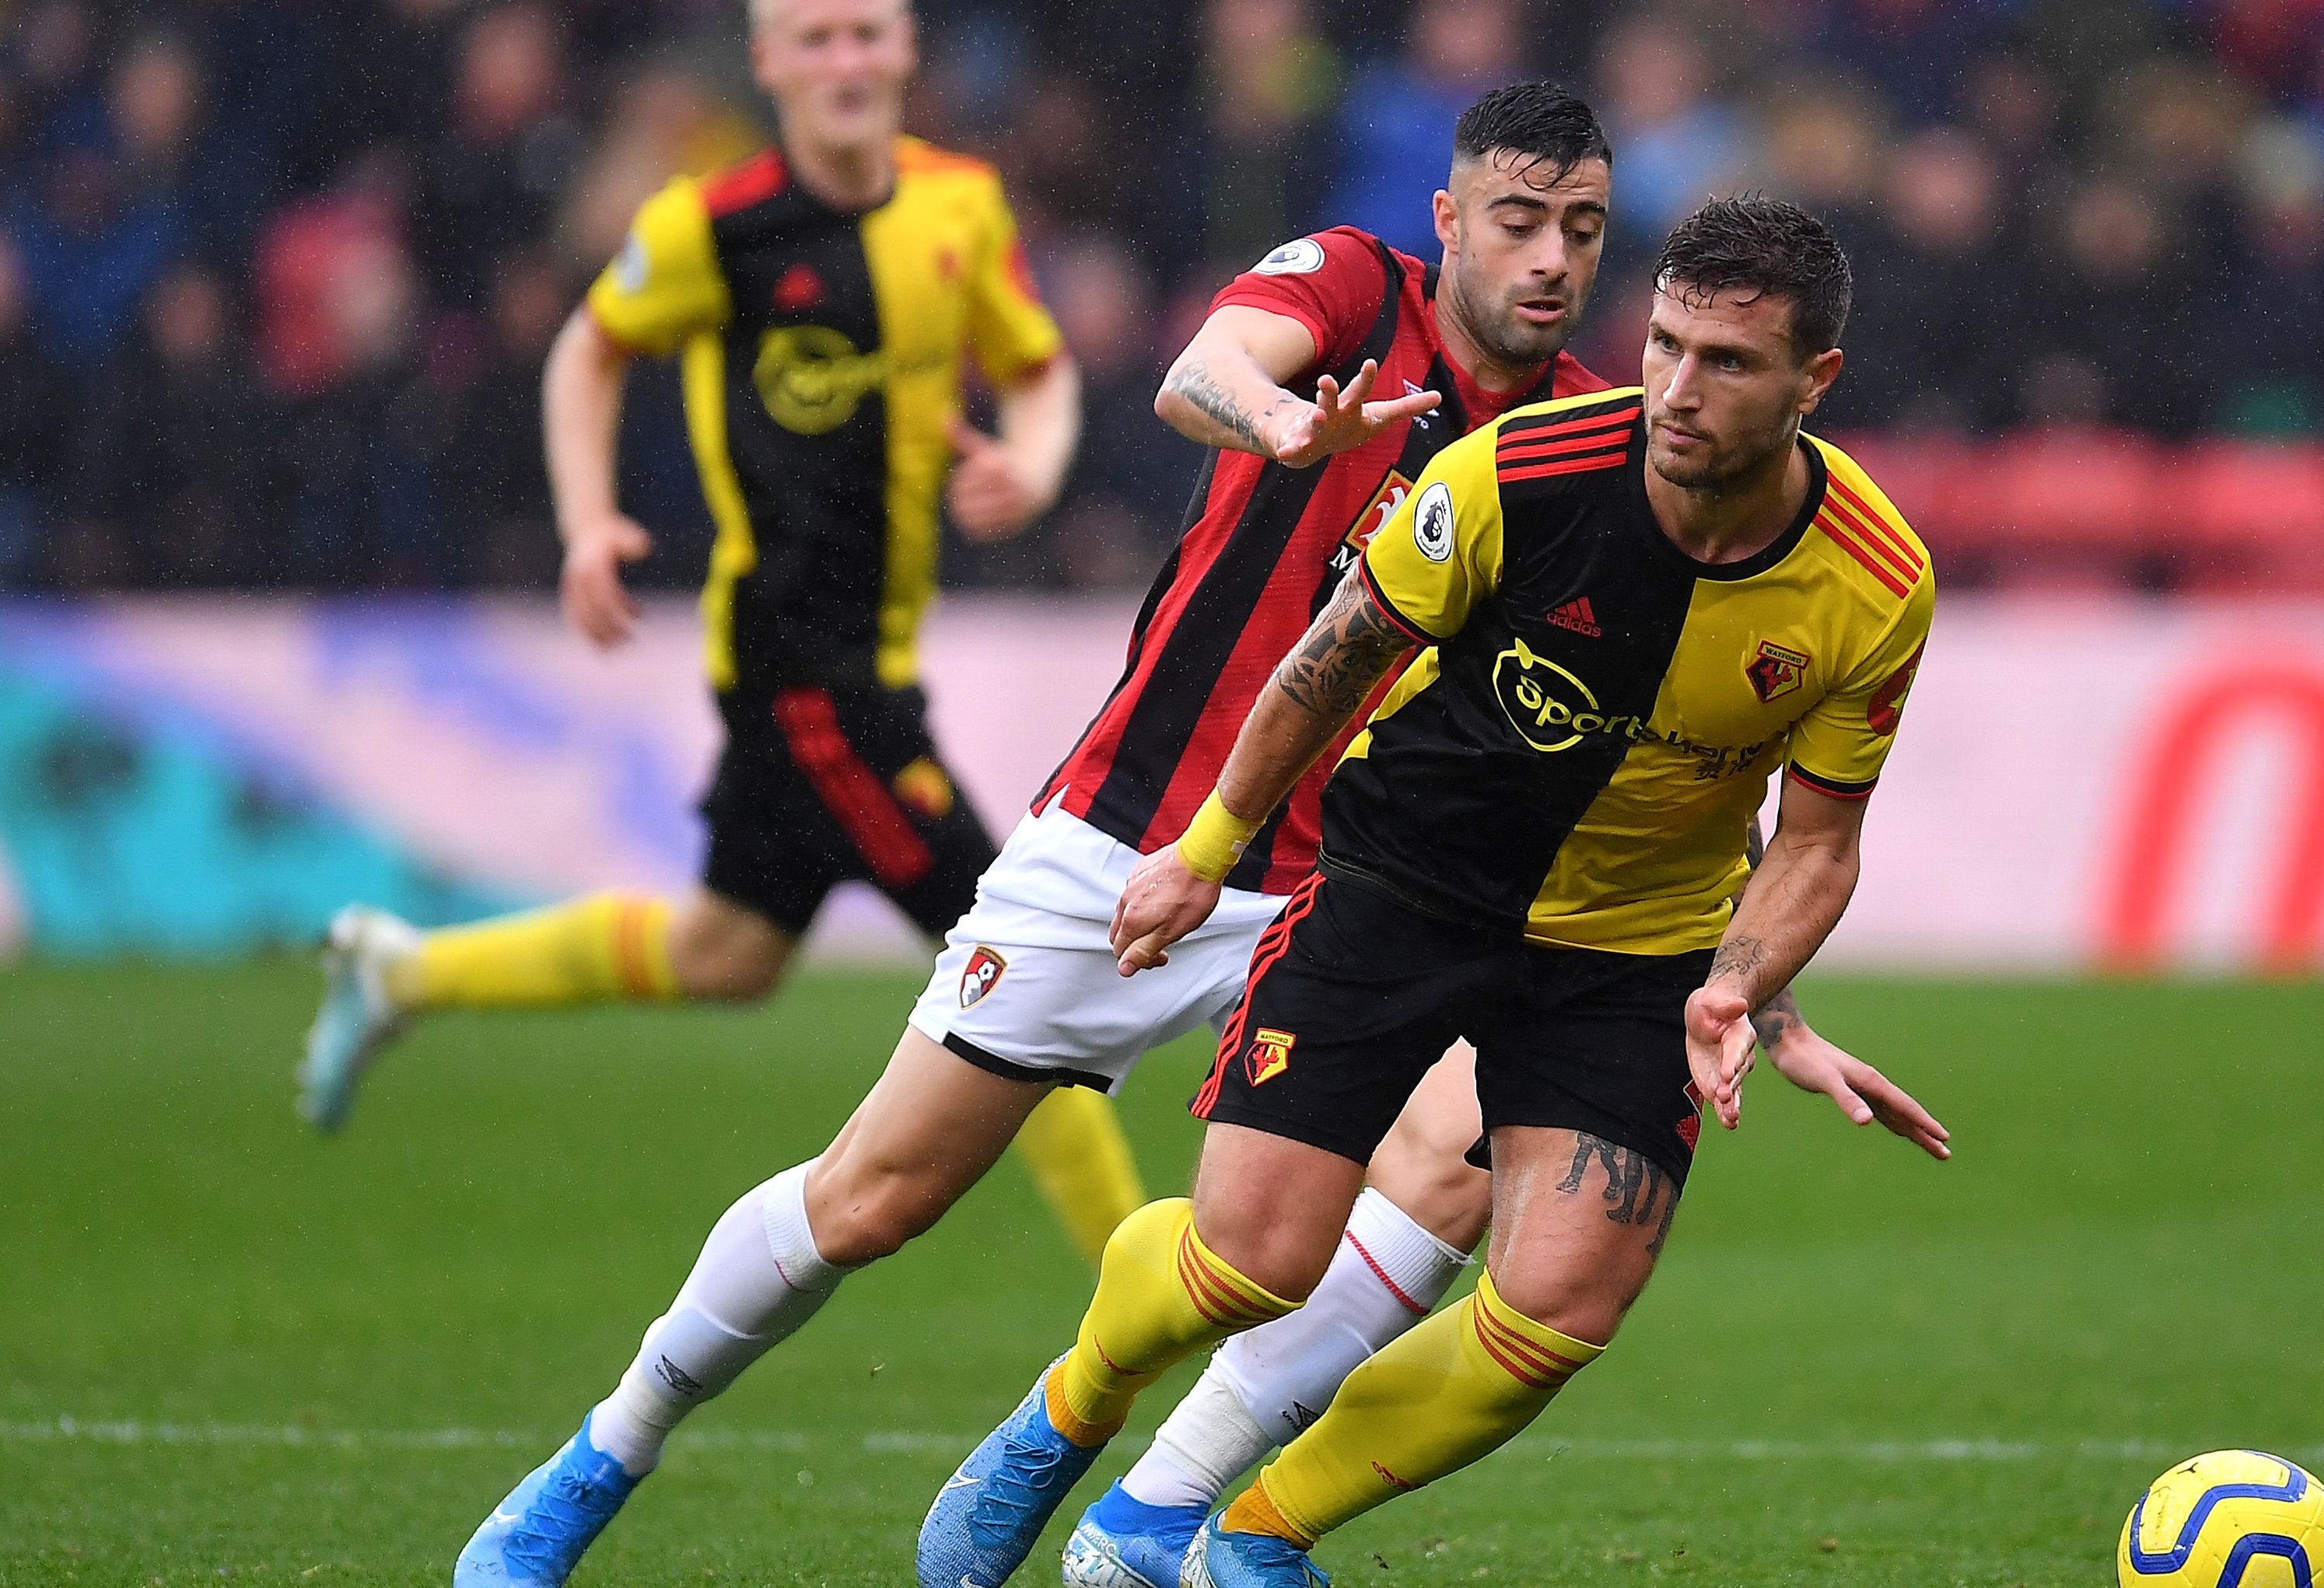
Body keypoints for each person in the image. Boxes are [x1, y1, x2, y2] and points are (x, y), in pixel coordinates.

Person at [447, 81, 1622, 1588]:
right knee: (874, 1195)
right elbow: (1201, 370)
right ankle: (605, 1448)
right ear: (1452, 219)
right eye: (1517, 222)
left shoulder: (1577, 442)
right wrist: (1287, 423)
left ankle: (1151, 1497)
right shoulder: (1348, 286)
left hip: (1351, 885)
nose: (1548, 258)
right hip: (1132, 834)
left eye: (1579, 230)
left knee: (1458, 1159)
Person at [926, 196, 1951, 1588]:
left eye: (1727, 363)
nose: (1676, 389)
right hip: (1403, 889)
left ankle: (1252, 1538)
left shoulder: (1877, 581)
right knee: (1252, 1263)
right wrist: (1208, 847)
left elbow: (1818, 840)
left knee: (1555, 1313)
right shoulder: (1513, 473)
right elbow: (1328, 665)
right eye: (1661, 344)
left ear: (1815, 381)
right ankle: (1074, 1401)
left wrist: (1741, 983)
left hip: (1629, 950)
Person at [292, 0, 1137, 1264]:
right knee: (1015, 955)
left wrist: (1034, 459)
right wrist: (587, 524)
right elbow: (586, 350)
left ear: (908, 51)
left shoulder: (960, 202)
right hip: (802, 663)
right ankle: (1145, 1275)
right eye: (819, 38)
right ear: (768, 63)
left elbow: (1036, 366)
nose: (847, 61)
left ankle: (403, 973)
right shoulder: (714, 227)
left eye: (869, 35)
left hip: (874, 653)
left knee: (728, 950)